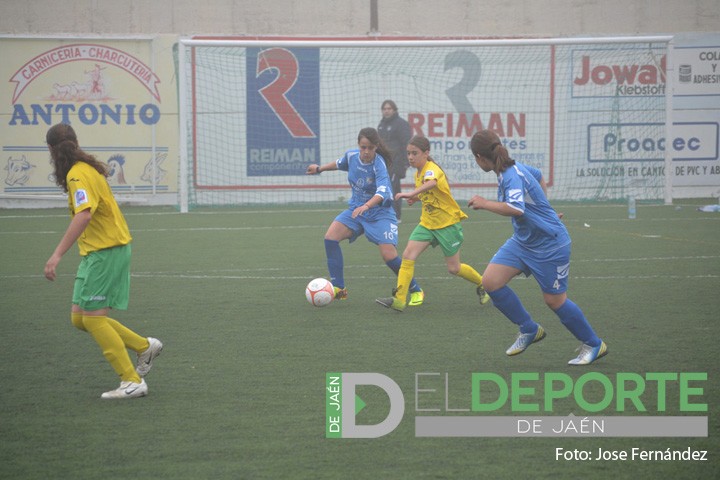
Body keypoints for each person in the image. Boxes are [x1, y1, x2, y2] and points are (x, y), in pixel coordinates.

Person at [467, 129, 607, 365]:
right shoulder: (511, 170)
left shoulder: (510, 174)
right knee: (490, 282)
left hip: (550, 244)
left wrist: (485, 204)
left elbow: (516, 208)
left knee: (554, 300)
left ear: (480, 157)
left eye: (475, 158)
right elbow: (539, 176)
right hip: (523, 241)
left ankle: (594, 344)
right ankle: (529, 328)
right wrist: (545, 209)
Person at [43, 123, 163, 399]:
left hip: (106, 250)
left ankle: (132, 381)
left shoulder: (77, 175)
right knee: (79, 318)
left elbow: (83, 214)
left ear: (51, 150)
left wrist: (57, 254)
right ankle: (144, 346)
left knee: (95, 320)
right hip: (97, 252)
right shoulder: (85, 168)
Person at [306, 127, 423, 305]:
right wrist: (319, 168)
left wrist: (367, 205)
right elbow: (339, 164)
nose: (366, 152)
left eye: (370, 148)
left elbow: (383, 192)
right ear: (358, 146)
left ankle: (416, 290)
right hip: (357, 210)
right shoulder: (352, 156)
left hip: (380, 214)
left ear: (376, 147)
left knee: (389, 256)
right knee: (330, 238)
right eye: (363, 147)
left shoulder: (379, 164)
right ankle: (339, 288)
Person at [376, 136, 490, 311]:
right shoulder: (417, 173)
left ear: (426, 153)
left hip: (447, 225)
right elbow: (427, 192)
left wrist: (410, 193)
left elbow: (431, 183)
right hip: (428, 224)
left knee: (454, 268)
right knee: (408, 256)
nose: (411, 157)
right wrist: (415, 197)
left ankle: (483, 284)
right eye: (408, 153)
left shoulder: (432, 169)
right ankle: (399, 299)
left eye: (415, 153)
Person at [377, 100, 412, 222]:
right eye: (384, 109)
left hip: (396, 163)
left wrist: (406, 162)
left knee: (393, 188)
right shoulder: (381, 125)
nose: (386, 111)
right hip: (384, 163)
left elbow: (406, 144)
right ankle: (387, 214)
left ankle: (395, 216)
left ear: (394, 110)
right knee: (385, 188)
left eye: (389, 108)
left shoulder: (401, 124)